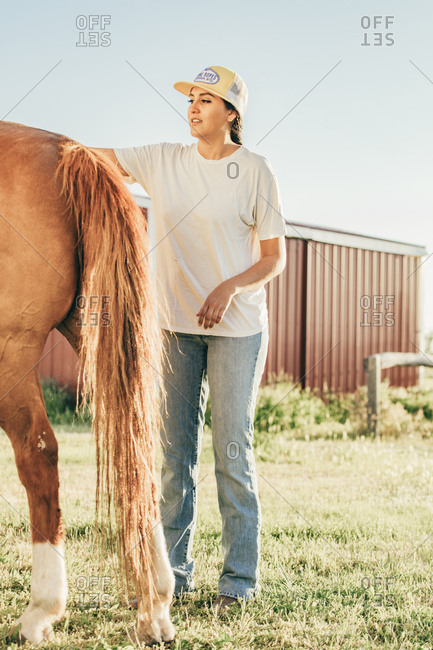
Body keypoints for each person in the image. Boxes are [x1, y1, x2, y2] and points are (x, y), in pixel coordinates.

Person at [92, 65, 286, 613]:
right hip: (174, 327)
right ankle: (174, 575)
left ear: (232, 113)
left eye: (208, 99)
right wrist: (33, 143)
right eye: (192, 98)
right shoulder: (163, 160)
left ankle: (238, 583)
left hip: (237, 330)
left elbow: (274, 258)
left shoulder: (255, 171)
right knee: (174, 457)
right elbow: (92, 157)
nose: (195, 107)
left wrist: (229, 286)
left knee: (231, 452)